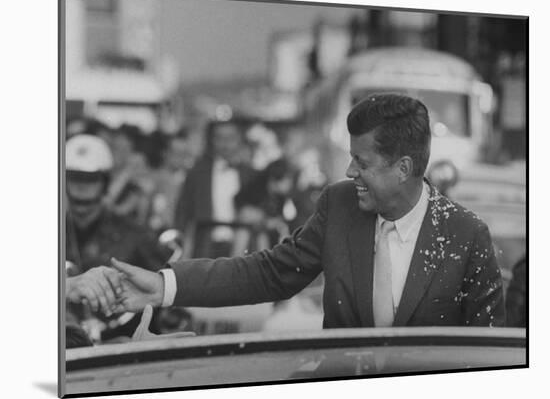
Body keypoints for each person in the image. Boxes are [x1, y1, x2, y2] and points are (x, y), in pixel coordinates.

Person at [93, 94, 505, 328]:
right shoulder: (339, 206)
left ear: (404, 169)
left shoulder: (466, 236)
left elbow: (488, 354)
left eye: (362, 163)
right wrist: (164, 286)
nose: (349, 171)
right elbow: (267, 273)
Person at [65, 134, 169, 340]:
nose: (81, 187)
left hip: (120, 343)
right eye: (74, 178)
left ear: (104, 183)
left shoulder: (135, 234)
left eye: (90, 179)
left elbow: (162, 291)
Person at [173, 119, 257, 258]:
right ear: (212, 140)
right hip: (205, 246)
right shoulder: (197, 173)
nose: (225, 144)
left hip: (242, 249)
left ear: (239, 139)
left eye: (230, 138)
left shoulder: (251, 174)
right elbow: (183, 211)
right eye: (220, 138)